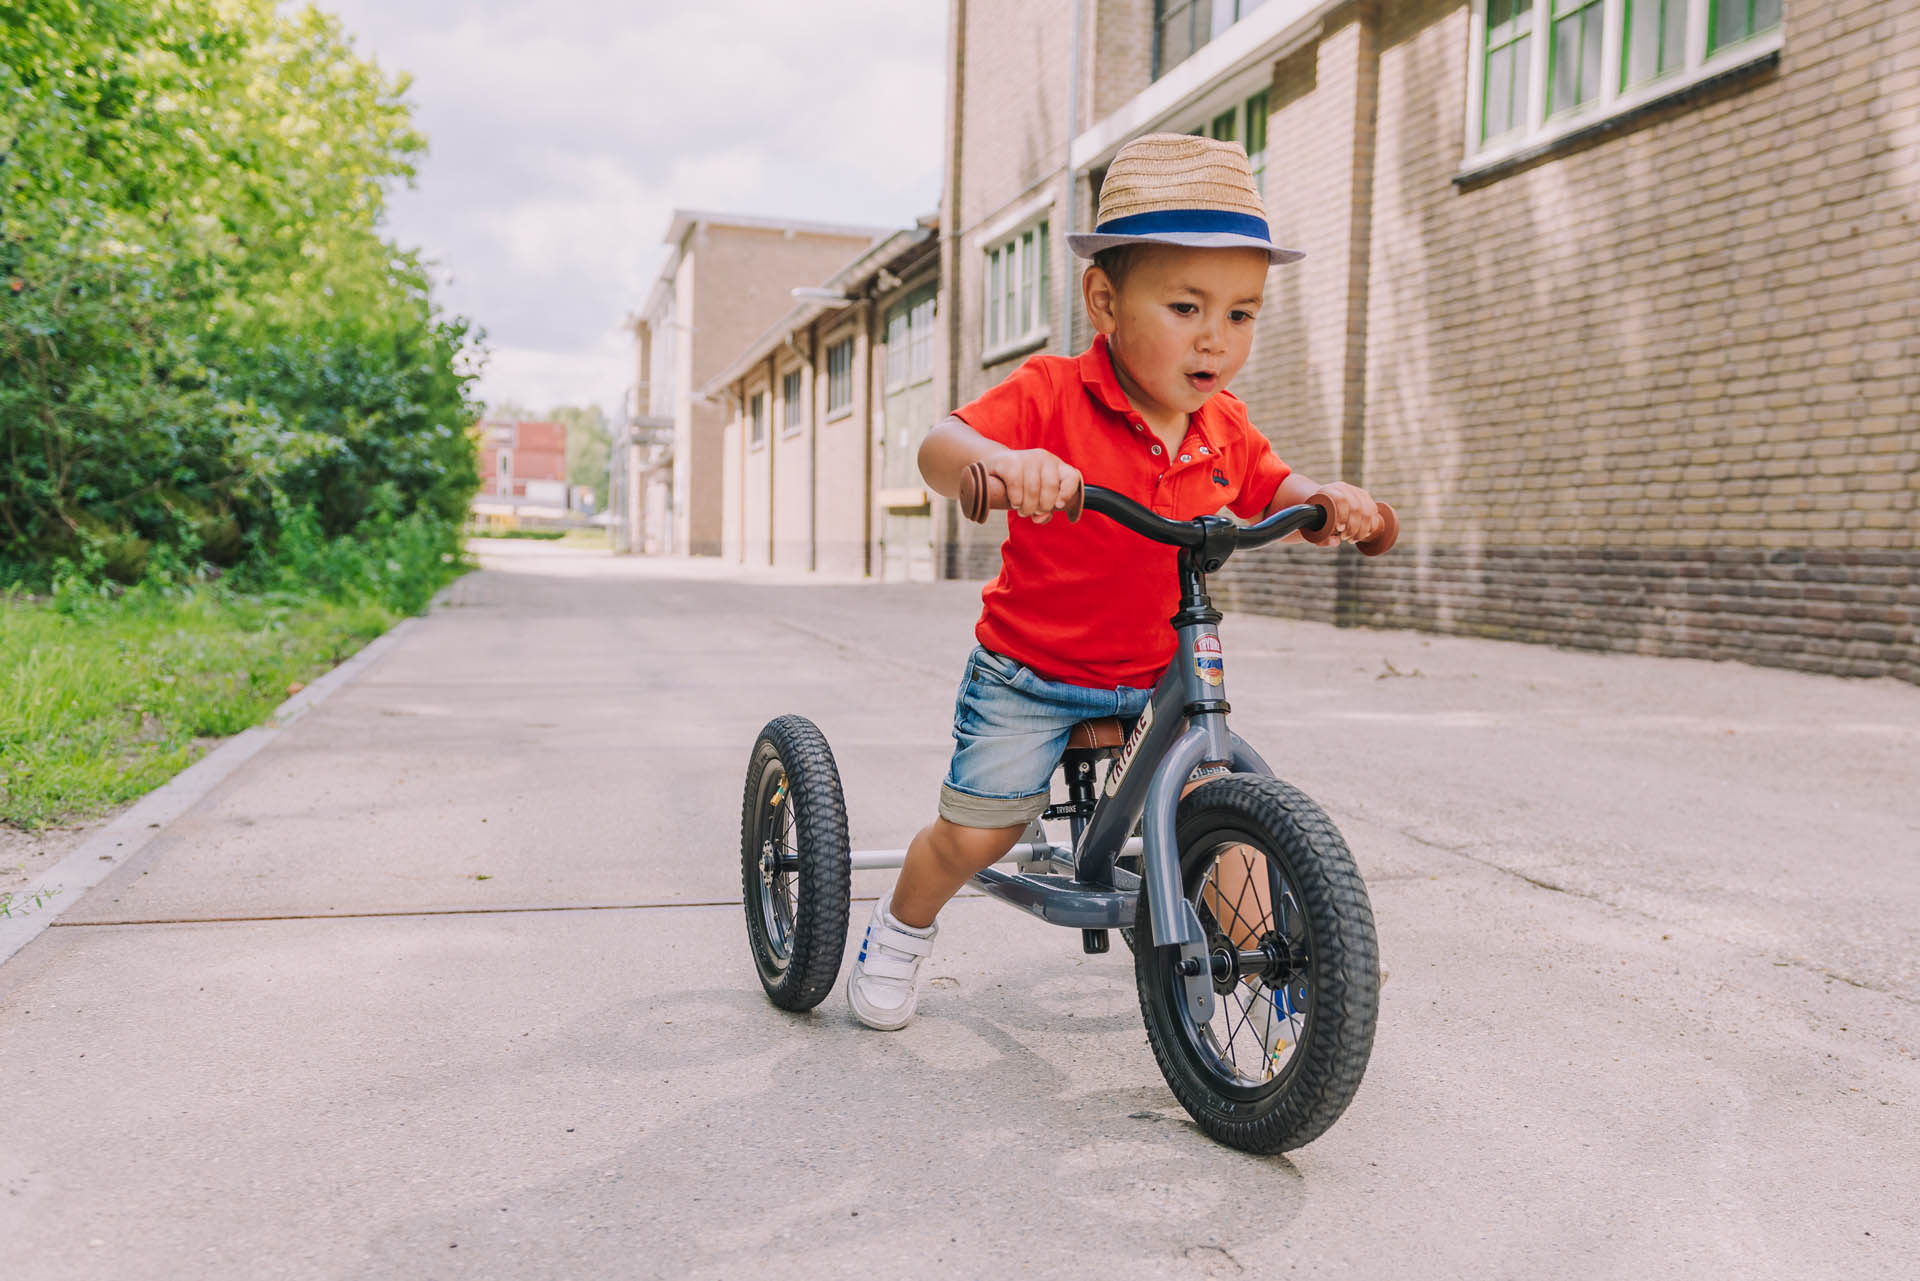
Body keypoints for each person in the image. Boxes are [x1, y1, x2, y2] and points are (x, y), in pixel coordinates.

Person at [846, 132, 1388, 1031]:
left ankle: (1277, 996)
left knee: (1220, 813)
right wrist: (1006, 462)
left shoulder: (1226, 424)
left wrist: (1325, 500)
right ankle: (901, 928)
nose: (1216, 337)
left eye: (1242, 314)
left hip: (1157, 682)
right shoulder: (1052, 394)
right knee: (979, 835)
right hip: (1032, 670)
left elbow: (1275, 486)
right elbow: (941, 447)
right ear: (1105, 298)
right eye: (1185, 305)